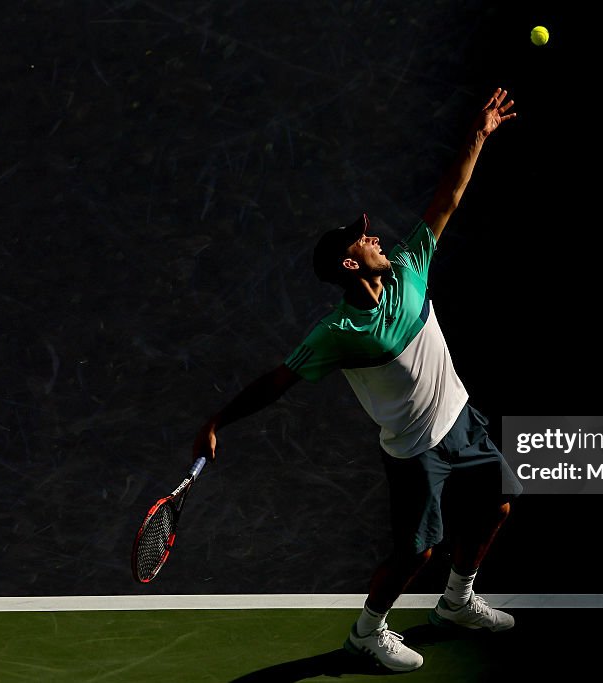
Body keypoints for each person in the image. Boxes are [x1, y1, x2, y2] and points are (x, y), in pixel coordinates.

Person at [192, 87, 520, 672]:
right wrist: (218, 421)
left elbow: (448, 197)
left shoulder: (410, 266)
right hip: (415, 451)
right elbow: (279, 380)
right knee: (414, 551)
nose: (373, 236)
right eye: (362, 239)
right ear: (350, 264)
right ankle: (367, 633)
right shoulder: (339, 332)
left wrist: (478, 133)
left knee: (497, 507)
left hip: (461, 419)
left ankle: (457, 601)